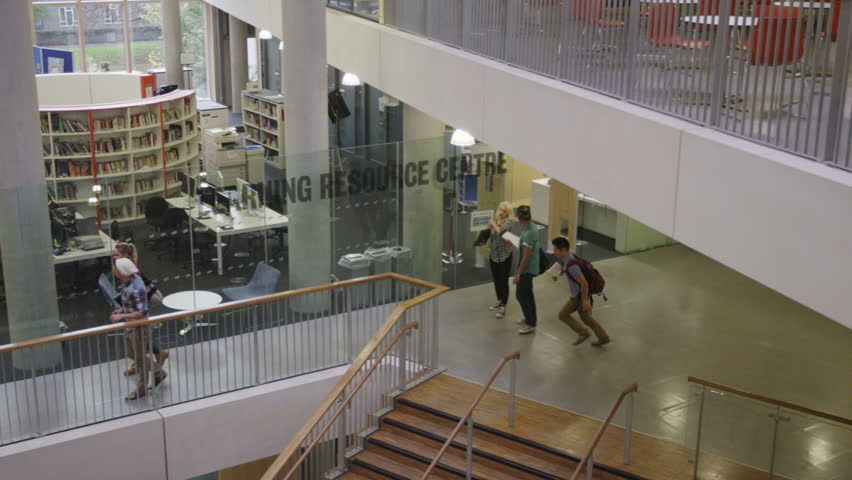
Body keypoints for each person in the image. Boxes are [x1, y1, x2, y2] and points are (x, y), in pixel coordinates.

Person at [110, 257, 167, 400]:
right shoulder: (129, 280)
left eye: (114, 267)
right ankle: (158, 372)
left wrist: (121, 316)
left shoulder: (135, 289)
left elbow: (141, 313)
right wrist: (123, 310)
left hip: (138, 328)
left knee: (140, 361)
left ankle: (141, 390)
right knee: (132, 354)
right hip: (130, 325)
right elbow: (132, 304)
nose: (112, 269)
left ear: (121, 271)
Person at [113, 243, 169, 374]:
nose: (114, 257)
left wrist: (123, 312)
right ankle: (140, 363)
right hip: (137, 305)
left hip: (143, 304)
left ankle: (155, 358)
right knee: (138, 341)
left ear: (125, 256)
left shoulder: (129, 271)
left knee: (140, 339)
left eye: (116, 255)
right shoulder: (125, 267)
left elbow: (138, 297)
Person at [551, 237, 611, 346]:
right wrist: (558, 275)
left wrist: (584, 302)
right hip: (580, 295)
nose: (554, 251)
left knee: (562, 315)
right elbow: (566, 267)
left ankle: (584, 333)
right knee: (587, 319)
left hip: (578, 296)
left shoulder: (572, 266)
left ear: (563, 250)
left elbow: (584, 283)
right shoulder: (570, 256)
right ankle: (604, 338)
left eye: (555, 249)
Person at [513, 205, 539, 334]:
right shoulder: (531, 226)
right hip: (529, 268)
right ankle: (531, 318)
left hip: (527, 270)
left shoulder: (529, 233)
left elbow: (526, 256)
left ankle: (530, 323)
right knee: (528, 295)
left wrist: (519, 273)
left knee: (521, 296)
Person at [487, 202, 514, 319]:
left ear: (508, 213)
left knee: (503, 281)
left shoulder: (508, 222)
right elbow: (490, 234)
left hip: (504, 256)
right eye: (500, 210)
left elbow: (500, 231)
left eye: (504, 211)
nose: (501, 213)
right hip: (493, 255)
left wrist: (493, 224)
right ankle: (499, 300)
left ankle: (504, 305)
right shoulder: (496, 222)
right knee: (496, 280)